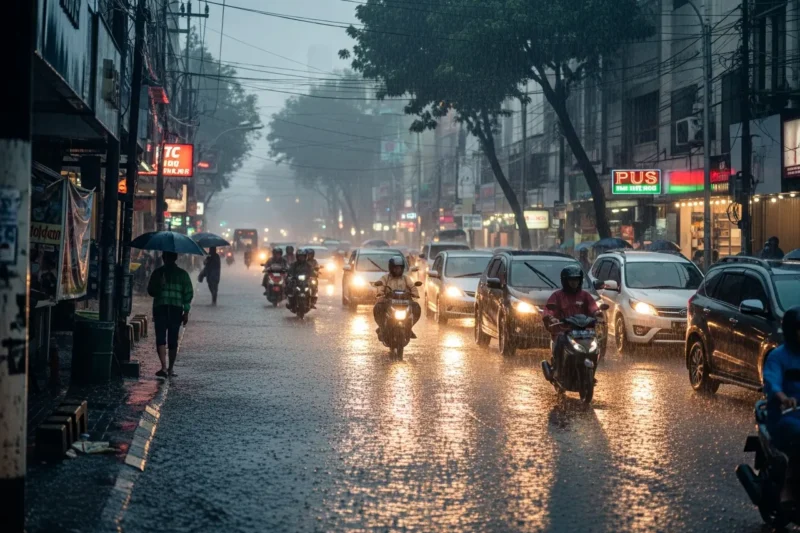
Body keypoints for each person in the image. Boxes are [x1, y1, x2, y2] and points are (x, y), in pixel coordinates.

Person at [762, 306, 800, 505]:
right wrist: (784, 398)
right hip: (784, 416)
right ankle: (789, 488)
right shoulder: (778, 356)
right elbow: (772, 381)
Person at [543, 265, 600, 379]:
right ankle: (556, 370)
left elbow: (593, 307)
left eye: (576, 280)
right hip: (563, 332)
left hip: (583, 332)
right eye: (571, 280)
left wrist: (598, 313)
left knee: (595, 347)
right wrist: (550, 317)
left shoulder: (585, 295)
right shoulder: (557, 296)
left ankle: (591, 373)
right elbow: (549, 309)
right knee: (559, 344)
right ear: (565, 281)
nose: (574, 283)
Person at [147, 251, 193, 378]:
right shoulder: (183, 275)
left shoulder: (157, 273)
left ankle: (164, 367)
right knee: (172, 339)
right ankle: (170, 369)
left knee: (161, 338)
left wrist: (159, 286)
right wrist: (186, 312)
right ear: (176, 258)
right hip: (175, 309)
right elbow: (188, 295)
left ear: (163, 258)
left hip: (161, 309)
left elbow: (150, 291)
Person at [373, 256, 421, 341]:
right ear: (391, 268)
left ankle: (409, 328)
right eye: (395, 268)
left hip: (405, 302)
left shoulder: (406, 278)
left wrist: (415, 294)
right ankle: (382, 327)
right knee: (378, 307)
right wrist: (380, 292)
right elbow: (380, 286)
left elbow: (412, 286)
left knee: (416, 307)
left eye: (399, 268)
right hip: (389, 302)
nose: (397, 270)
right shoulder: (385, 278)